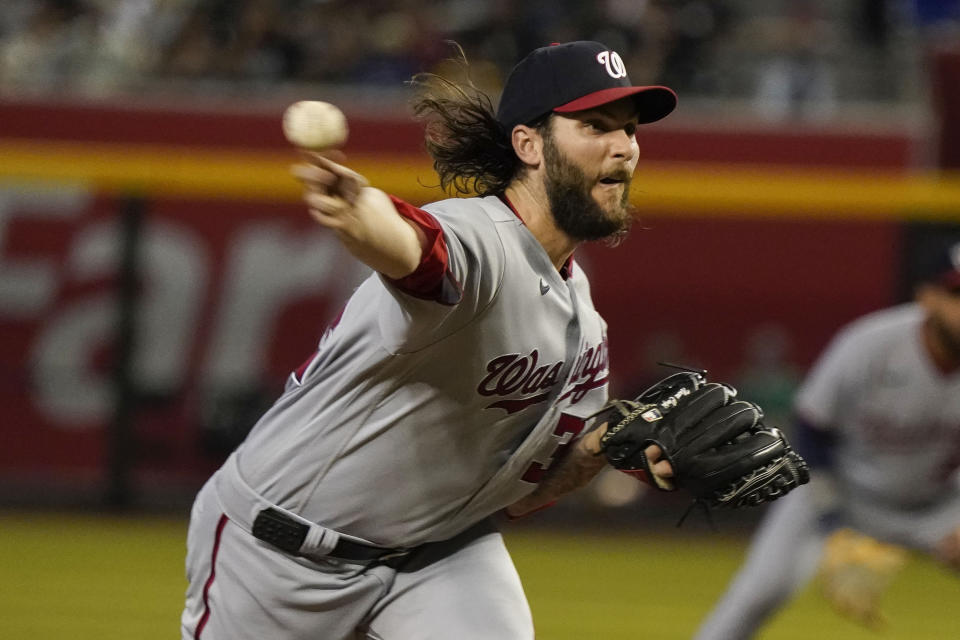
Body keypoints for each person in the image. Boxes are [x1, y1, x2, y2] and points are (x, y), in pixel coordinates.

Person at [180, 41, 780, 640]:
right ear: (528, 144)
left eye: (629, 130)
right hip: (277, 553)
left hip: (437, 552)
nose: (623, 147)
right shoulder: (480, 243)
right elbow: (415, 248)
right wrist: (359, 207)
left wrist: (601, 445)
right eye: (595, 126)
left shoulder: (584, 323)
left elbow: (519, 494)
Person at [693, 241, 960, 639]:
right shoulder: (871, 344)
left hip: (931, 506)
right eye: (957, 294)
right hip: (840, 490)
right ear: (927, 296)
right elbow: (810, 433)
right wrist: (835, 524)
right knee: (758, 593)